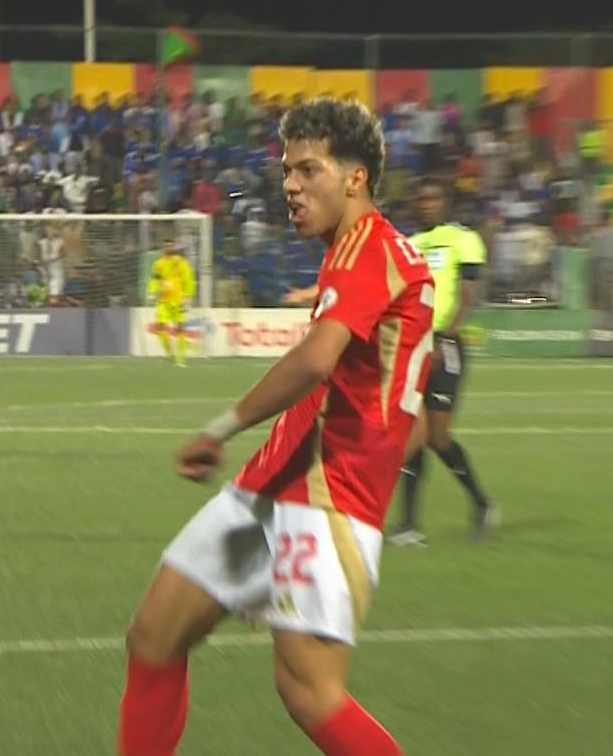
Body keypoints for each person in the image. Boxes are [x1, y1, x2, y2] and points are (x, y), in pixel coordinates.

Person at [117, 98, 432, 756]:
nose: (290, 184)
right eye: (287, 170)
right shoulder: (365, 254)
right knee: (153, 636)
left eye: (308, 170)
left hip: (326, 500)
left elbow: (316, 360)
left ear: (356, 179)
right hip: (272, 485)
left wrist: (219, 428)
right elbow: (415, 417)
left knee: (309, 692)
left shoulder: (369, 247)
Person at [389, 176, 496, 546]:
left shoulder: (463, 239)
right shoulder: (409, 245)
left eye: (433, 198)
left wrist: (446, 336)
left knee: (437, 437)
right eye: (421, 199)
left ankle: (482, 504)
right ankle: (408, 525)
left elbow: (467, 295)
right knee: (412, 433)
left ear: (445, 202)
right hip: (413, 344)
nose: (427, 204)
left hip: (444, 344)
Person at [148, 238, 197, 367]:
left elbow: (188, 280)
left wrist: (188, 296)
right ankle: (170, 354)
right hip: (163, 301)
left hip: (178, 300)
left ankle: (180, 359)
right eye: (166, 246)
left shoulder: (181, 263)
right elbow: (155, 279)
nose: (168, 248)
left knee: (180, 327)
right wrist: (152, 291)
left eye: (171, 246)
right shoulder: (158, 264)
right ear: (163, 248)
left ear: (174, 247)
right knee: (161, 327)